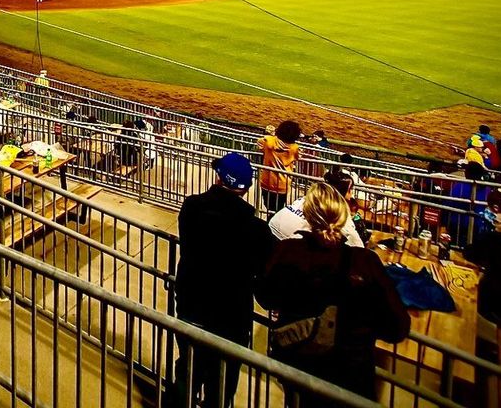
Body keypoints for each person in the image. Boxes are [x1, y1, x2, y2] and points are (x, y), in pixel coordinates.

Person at [256, 182, 410, 402]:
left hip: (300, 369)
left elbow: (264, 296)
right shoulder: (365, 262)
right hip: (351, 374)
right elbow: (397, 327)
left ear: (308, 215)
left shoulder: (288, 251)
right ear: (343, 216)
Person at [173, 152, 275, 408]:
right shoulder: (257, 229)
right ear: (246, 188)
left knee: (189, 370)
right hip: (232, 317)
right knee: (222, 383)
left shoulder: (192, 207)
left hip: (192, 306)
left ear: (219, 178)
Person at [269, 169, 364, 247]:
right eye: (350, 189)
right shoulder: (339, 213)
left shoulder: (307, 199)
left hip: (274, 231)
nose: (351, 193)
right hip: (284, 243)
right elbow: (357, 245)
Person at [258, 120, 302, 215]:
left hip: (267, 181)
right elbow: (298, 157)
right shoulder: (295, 148)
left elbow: (260, 142)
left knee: (268, 206)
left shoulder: (269, 141)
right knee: (278, 209)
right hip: (283, 184)